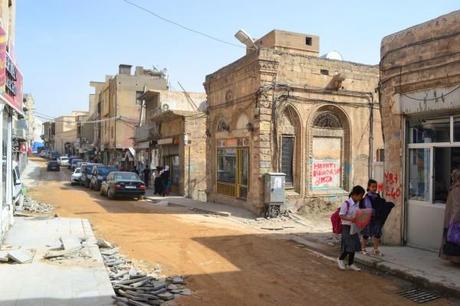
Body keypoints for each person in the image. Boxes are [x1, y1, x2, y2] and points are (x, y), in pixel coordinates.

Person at [338, 185, 366, 271]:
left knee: (354, 245)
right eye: (360, 196)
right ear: (354, 194)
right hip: (346, 226)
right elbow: (341, 215)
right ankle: (340, 259)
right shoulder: (346, 203)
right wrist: (351, 219)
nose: (361, 198)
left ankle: (351, 263)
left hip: (354, 226)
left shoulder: (357, 204)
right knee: (350, 245)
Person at [440, 169, 460, 264]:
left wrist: (453, 221)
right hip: (454, 218)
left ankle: (455, 259)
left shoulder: (457, 189)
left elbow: (457, 206)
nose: (452, 178)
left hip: (454, 219)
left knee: (454, 240)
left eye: (453, 176)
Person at [360, 179, 384, 256]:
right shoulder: (367, 197)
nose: (374, 188)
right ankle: (363, 249)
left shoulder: (377, 196)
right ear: (369, 187)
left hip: (376, 218)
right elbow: (367, 208)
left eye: (375, 187)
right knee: (366, 234)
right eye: (373, 187)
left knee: (377, 234)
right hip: (368, 218)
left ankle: (375, 249)